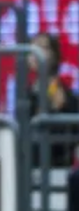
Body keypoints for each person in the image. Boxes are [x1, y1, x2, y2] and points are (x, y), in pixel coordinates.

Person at [28, 32, 79, 167]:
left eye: (43, 48)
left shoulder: (63, 94)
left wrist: (58, 108)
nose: (35, 54)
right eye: (32, 49)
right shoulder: (27, 95)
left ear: (55, 55)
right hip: (30, 165)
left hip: (56, 166)